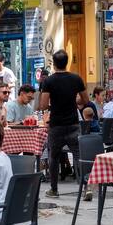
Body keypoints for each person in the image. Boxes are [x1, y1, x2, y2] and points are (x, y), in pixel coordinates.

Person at [39, 50, 88, 198]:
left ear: (53, 64)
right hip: (73, 123)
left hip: (56, 125)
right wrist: (74, 102)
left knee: (53, 157)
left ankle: (54, 189)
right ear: (67, 62)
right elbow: (85, 100)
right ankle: (86, 188)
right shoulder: (76, 79)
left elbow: (43, 105)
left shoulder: (49, 81)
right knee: (79, 155)